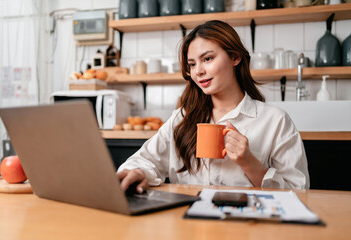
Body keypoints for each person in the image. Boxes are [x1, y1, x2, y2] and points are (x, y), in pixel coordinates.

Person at [117, 20, 309, 194]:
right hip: (188, 225)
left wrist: (249, 162)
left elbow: (299, 191)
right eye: (192, 64)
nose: (198, 71)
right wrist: (138, 172)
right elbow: (144, 159)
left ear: (235, 57)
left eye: (207, 59)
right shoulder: (182, 118)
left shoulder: (275, 120)